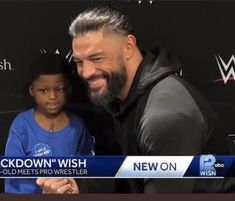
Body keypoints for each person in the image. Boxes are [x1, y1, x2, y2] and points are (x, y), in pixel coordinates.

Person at [37, 7, 234, 193]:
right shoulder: (120, 97)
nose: (86, 73)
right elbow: (127, 173)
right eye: (79, 62)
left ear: (128, 47)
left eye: (97, 58)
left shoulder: (164, 116)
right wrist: (77, 187)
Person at [5, 53, 94, 194]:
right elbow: (11, 171)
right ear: (32, 91)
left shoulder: (77, 125)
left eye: (59, 89)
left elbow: (88, 169)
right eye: (44, 90)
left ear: (69, 89)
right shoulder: (21, 125)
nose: (52, 97)